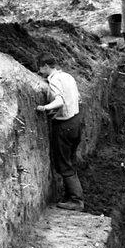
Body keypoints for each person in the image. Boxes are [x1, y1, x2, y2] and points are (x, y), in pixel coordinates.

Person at [36, 54, 85, 211]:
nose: (39, 71)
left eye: (40, 68)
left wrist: (46, 108)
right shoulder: (68, 77)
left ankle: (76, 201)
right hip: (76, 122)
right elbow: (78, 99)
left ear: (46, 66)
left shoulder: (54, 80)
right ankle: (69, 196)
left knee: (63, 164)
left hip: (64, 126)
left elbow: (59, 101)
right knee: (69, 160)